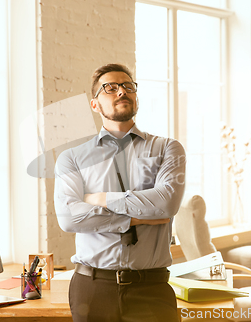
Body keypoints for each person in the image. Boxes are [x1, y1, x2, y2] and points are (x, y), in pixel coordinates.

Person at [54, 63, 186, 322]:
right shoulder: (72, 159)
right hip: (91, 288)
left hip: (152, 288)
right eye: (110, 88)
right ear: (95, 105)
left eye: (128, 86)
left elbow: (167, 204)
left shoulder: (167, 149)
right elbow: (70, 219)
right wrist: (134, 218)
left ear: (136, 96)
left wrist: (100, 199)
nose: (121, 92)